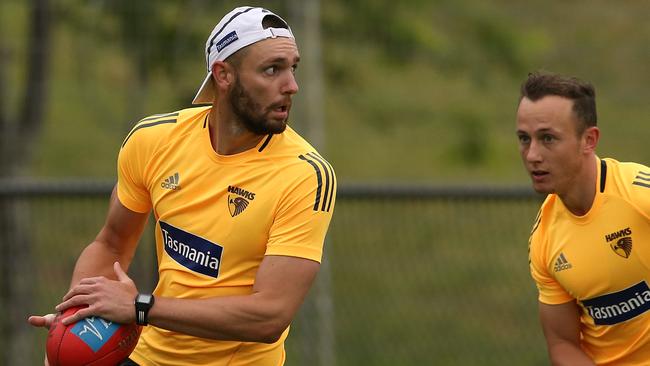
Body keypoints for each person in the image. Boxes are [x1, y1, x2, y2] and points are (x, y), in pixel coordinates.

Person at [28, 6, 336, 365]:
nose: (291, 86)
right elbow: (112, 242)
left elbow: (269, 315)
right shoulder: (154, 140)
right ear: (223, 75)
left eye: (293, 68)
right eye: (272, 69)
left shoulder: (304, 174)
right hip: (146, 356)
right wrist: (77, 319)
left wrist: (141, 308)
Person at [517, 71, 650, 365]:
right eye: (524, 139)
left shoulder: (640, 196)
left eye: (548, 138)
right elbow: (562, 343)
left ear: (588, 140)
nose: (532, 155)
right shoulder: (544, 240)